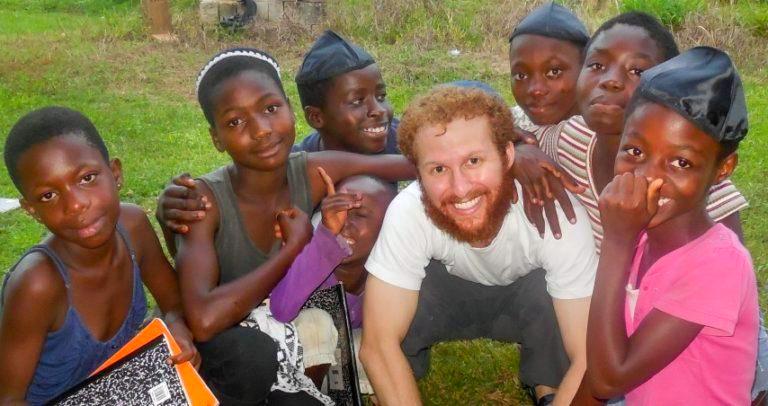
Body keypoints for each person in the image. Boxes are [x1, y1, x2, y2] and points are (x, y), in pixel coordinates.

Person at [174, 47, 415, 404]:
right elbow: (205, 320)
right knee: (252, 359)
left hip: (290, 332)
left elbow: (411, 165)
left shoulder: (312, 172)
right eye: (235, 122)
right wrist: (291, 249)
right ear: (216, 138)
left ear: (289, 108)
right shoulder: (205, 204)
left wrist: (503, 151)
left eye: (271, 109)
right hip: (231, 348)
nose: (261, 130)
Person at [359, 85, 599, 406]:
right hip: (445, 300)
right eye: (439, 169)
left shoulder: (557, 216)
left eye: (473, 161)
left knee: (554, 297)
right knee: (398, 300)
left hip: (528, 302)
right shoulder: (409, 211)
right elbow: (377, 343)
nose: (460, 188)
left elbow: (588, 356)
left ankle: (548, 387)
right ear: (418, 174)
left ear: (507, 156)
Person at [581, 46, 758, 404]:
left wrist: (617, 241)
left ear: (723, 169)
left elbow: (608, 381)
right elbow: (602, 359)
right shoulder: (643, 237)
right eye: (634, 152)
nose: (648, 178)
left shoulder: (717, 264)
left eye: (680, 162)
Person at [0, 106, 198, 404]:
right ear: (32, 211)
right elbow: (8, 398)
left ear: (115, 173)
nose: (76, 204)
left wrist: (177, 329)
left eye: (87, 178)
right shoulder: (38, 285)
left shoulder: (133, 229)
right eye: (48, 196)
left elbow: (174, 304)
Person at [269, 171, 396, 394]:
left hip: (338, 359)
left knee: (375, 347)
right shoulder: (311, 251)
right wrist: (326, 238)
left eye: (360, 215)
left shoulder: (387, 279)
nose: (343, 221)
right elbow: (281, 309)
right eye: (337, 208)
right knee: (315, 324)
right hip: (291, 357)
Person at [293, 29, 398, 155]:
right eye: (357, 101)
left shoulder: (410, 142)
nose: (380, 110)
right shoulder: (296, 169)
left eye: (381, 96)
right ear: (316, 117)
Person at [508, 2, 589, 128]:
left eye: (554, 72)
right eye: (521, 75)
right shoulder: (506, 127)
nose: (536, 90)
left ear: (585, 68)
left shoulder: (612, 132)